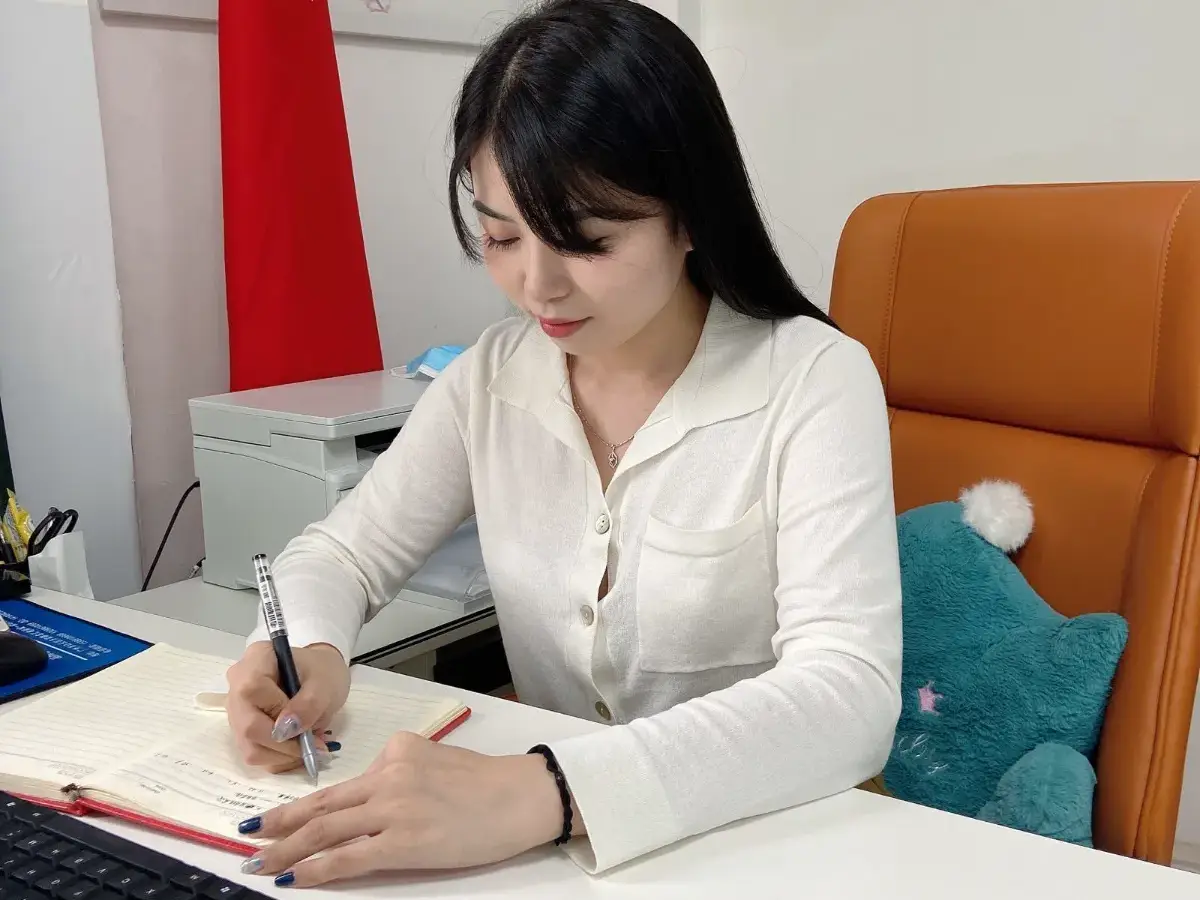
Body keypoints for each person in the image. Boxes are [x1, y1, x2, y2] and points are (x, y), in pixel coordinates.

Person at [223, 0, 903, 887]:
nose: (535, 286)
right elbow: (341, 555)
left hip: (771, 846)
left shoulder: (813, 379)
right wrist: (308, 649)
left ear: (689, 215)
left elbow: (847, 694)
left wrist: (552, 788)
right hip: (562, 865)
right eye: (501, 235)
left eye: (585, 240)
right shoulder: (491, 378)